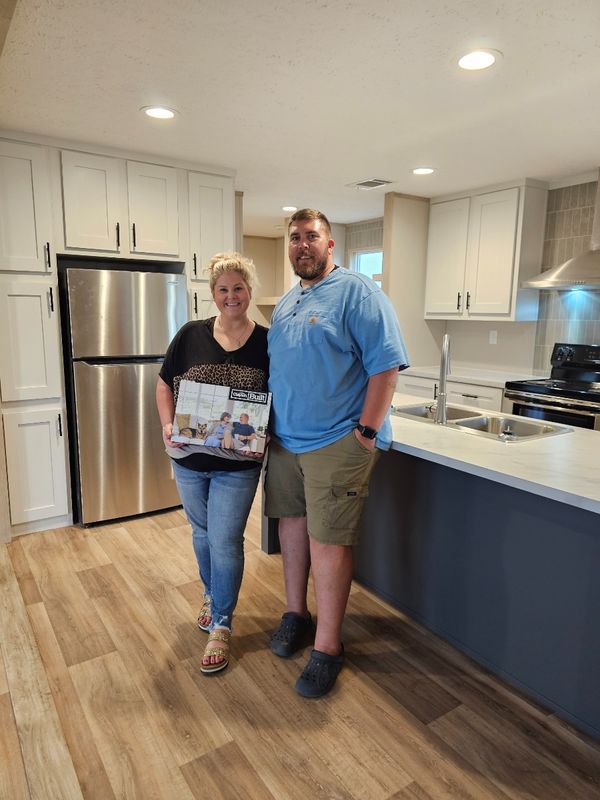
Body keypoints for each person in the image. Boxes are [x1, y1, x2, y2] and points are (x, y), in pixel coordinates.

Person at [265, 209, 408, 698]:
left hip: (335, 441)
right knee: (291, 527)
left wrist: (365, 432)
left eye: (312, 236)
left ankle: (328, 648)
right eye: (295, 237)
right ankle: (296, 614)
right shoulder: (288, 302)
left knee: (328, 542)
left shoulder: (359, 294)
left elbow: (386, 367)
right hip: (286, 442)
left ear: (330, 245)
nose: (302, 245)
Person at [156, 252, 269, 675]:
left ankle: (222, 622)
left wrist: (267, 433)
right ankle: (211, 593)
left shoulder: (267, 342)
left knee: (225, 540)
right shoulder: (190, 335)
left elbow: (280, 396)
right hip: (187, 458)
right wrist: (167, 424)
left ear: (249, 290)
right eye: (223, 289)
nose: (231, 296)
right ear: (213, 293)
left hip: (238, 465)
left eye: (238, 287)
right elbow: (163, 384)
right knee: (202, 533)